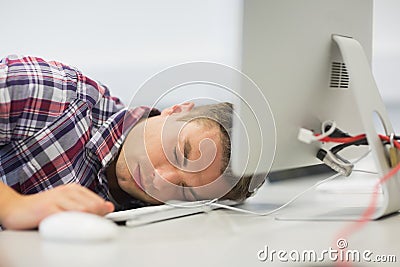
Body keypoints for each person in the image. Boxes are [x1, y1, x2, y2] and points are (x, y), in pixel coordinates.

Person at [0, 55, 257, 230]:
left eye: (183, 190)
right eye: (178, 154)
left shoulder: (143, 216)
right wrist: (12, 206)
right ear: (176, 110)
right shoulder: (57, 95)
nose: (159, 180)